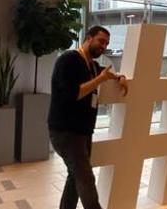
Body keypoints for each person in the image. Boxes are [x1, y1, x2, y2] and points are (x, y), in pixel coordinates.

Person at [48, 26, 128, 209]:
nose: (104, 46)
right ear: (89, 38)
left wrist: (119, 76)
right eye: (101, 41)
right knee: (85, 178)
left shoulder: (91, 65)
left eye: (106, 43)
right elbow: (74, 93)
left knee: (75, 175)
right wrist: (100, 79)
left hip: (83, 131)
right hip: (66, 131)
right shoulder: (68, 60)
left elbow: (106, 73)